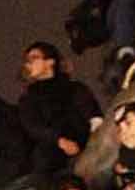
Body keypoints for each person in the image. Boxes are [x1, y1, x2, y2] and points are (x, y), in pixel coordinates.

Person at [17, 41, 103, 175]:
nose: (28, 64)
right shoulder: (29, 98)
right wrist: (59, 141)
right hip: (51, 156)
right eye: (27, 60)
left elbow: (94, 117)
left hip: (87, 146)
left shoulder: (75, 88)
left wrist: (94, 141)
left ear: (50, 62)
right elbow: (32, 126)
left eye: (34, 58)